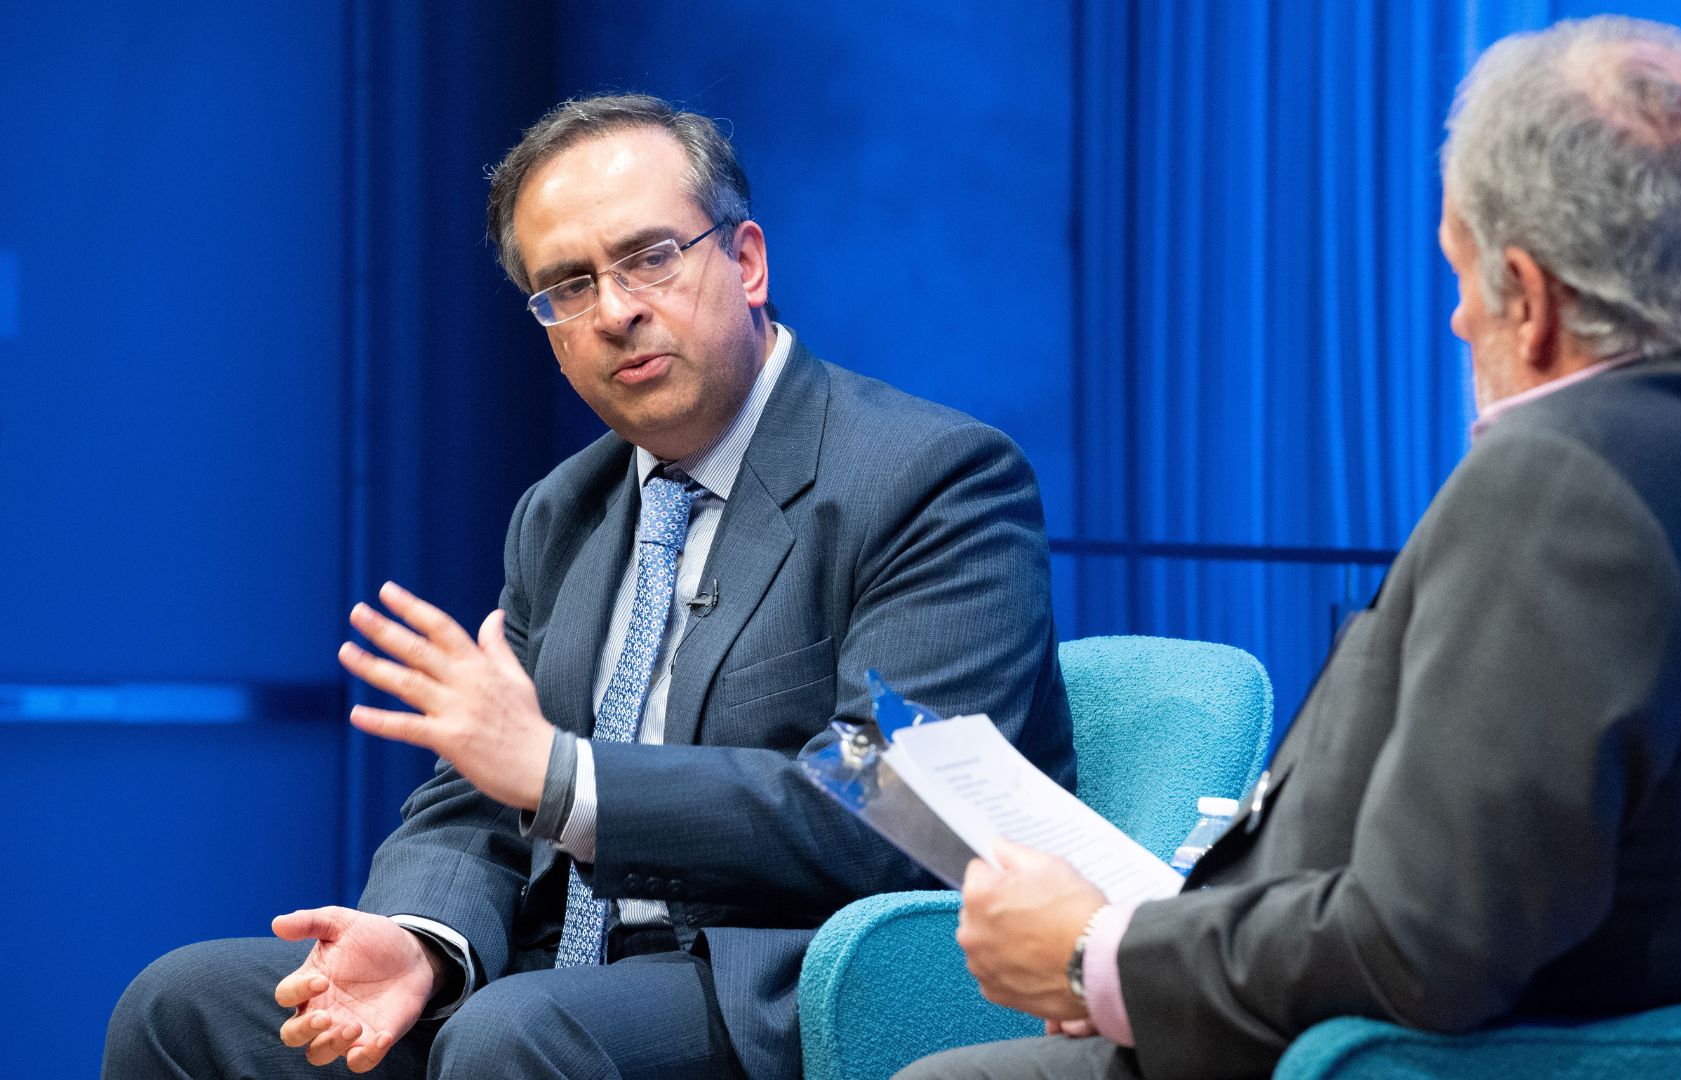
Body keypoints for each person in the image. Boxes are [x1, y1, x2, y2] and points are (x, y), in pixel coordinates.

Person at [902, 16, 1681, 1080]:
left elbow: (1421, 948)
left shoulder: (1561, 485)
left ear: (1525, 300)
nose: (1451, 323)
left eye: (1462, 274)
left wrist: (1090, 954)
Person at [104, 94, 1074, 1080]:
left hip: (784, 976)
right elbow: (481, 790)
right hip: (547, 974)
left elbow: (895, 807)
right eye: (568, 286)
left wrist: (565, 780)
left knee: (514, 1033)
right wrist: (425, 940)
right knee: (189, 1005)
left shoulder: (931, 476)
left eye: (651, 257)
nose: (616, 311)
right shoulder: (562, 511)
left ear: (745, 262)